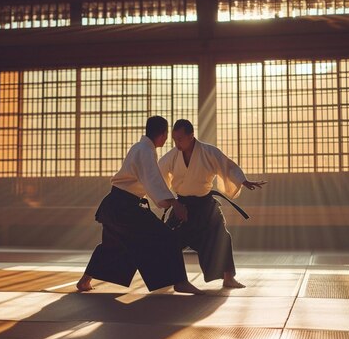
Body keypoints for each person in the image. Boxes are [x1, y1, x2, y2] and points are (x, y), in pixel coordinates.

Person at [76, 116, 203, 295]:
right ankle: (180, 281)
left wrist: (168, 199)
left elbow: (151, 180)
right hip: (124, 207)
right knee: (167, 237)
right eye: (167, 135)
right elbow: (153, 181)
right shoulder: (145, 150)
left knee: (114, 245)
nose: (168, 139)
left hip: (115, 205)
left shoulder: (141, 148)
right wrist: (174, 202)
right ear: (162, 134)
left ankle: (84, 280)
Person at [158, 119, 267, 288]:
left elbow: (229, 167)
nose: (176, 143)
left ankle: (228, 278)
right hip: (183, 206)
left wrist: (242, 180)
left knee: (223, 237)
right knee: (169, 239)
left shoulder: (209, 152)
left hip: (205, 206)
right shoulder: (172, 156)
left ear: (191, 136)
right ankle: (170, 278)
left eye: (180, 139)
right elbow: (156, 175)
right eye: (174, 139)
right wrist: (167, 199)